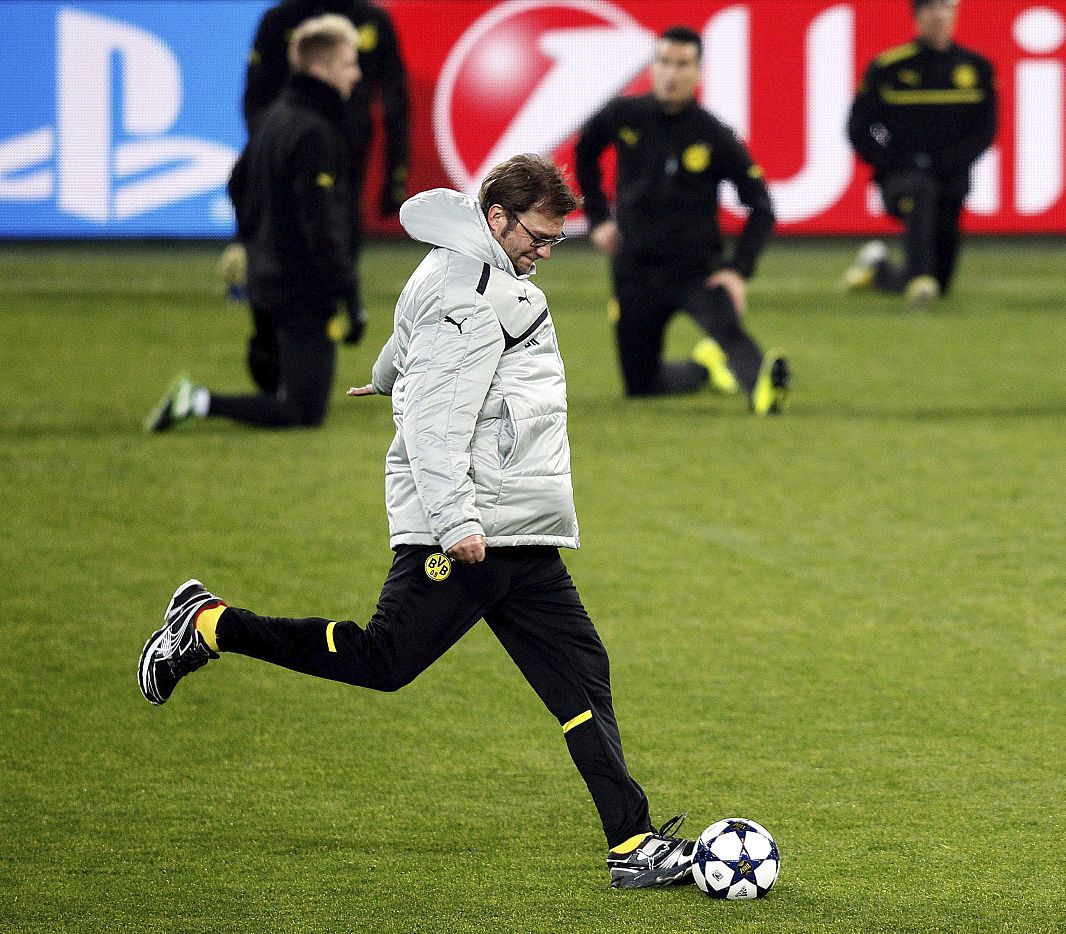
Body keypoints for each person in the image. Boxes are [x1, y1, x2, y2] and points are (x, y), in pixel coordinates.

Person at [137, 154, 699, 890]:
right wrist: (456, 518)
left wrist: (386, 375)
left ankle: (631, 844)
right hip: (471, 528)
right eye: (538, 235)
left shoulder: (460, 269)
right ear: (496, 219)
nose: (546, 251)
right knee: (384, 661)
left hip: (516, 528)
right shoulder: (471, 293)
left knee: (581, 678)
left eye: (555, 238)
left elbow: (412, 342)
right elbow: (438, 425)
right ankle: (209, 625)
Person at [147, 14, 362, 432]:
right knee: (303, 412)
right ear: (323, 68)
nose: (356, 74)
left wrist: (251, 240)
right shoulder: (316, 130)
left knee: (284, 386)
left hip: (267, 278)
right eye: (350, 63)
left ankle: (255, 376)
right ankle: (197, 400)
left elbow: (236, 182)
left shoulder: (274, 116)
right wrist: (348, 294)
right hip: (302, 285)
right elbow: (322, 222)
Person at [573, 26, 789, 415]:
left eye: (683, 64)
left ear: (699, 72)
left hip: (696, 270)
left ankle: (764, 386)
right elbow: (584, 153)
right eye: (665, 62)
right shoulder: (624, 115)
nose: (672, 73)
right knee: (640, 388)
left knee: (729, 332)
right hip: (635, 270)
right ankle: (703, 369)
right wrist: (598, 218)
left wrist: (738, 270)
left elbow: (761, 205)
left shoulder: (714, 134)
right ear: (653, 67)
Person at [225, 0, 413, 385]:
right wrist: (271, 151)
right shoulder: (281, 23)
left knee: (317, 245)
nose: (356, 76)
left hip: (340, 164)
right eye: (349, 66)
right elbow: (254, 96)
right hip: (292, 158)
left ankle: (295, 357)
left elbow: (396, 103)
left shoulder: (370, 20)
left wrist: (396, 176)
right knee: (308, 241)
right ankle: (281, 354)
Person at [842, 0, 996, 310]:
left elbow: (985, 128)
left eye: (946, 8)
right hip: (900, 177)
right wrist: (890, 163)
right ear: (917, 16)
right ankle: (920, 279)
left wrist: (956, 162)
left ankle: (881, 268)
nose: (939, 16)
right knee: (920, 192)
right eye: (931, 9)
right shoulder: (889, 67)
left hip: (951, 181)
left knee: (940, 280)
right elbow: (859, 127)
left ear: (955, 15)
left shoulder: (977, 68)